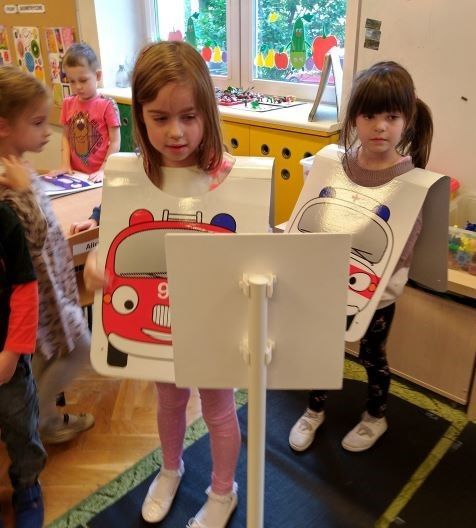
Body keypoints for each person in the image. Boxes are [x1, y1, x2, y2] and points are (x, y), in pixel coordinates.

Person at [84, 41, 240, 527]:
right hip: (158, 318)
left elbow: (250, 240)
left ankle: (223, 491)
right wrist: (95, 260)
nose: (176, 132)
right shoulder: (130, 176)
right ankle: (170, 469)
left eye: (189, 117)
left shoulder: (231, 177)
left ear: (207, 113)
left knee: (218, 407)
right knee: (169, 398)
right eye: (160, 117)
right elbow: (110, 236)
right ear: (140, 117)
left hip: (210, 316)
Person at [289, 61, 433, 453]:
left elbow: (406, 237)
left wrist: (381, 282)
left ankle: (375, 416)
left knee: (372, 356)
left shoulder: (410, 178)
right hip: (329, 282)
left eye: (392, 117)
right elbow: (315, 214)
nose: (380, 127)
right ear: (354, 118)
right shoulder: (336, 164)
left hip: (377, 292)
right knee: (322, 348)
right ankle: (314, 410)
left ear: (407, 121)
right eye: (369, 116)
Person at [0, 65, 94, 445]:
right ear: (4, 126)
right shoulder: (9, 181)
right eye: (37, 123)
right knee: (80, 348)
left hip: (51, 283)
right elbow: (33, 237)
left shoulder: (16, 165)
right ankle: (38, 419)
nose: (46, 132)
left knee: (46, 354)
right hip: (39, 291)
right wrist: (24, 191)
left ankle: (37, 416)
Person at [0, 164, 47, 527]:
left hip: (8, 360)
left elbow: (25, 289)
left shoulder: (5, 221)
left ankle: (28, 486)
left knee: (20, 426)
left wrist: (12, 352)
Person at [56, 42, 121, 183]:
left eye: (83, 80)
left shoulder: (107, 105)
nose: (78, 87)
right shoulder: (67, 103)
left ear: (97, 75)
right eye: (72, 81)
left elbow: (115, 142)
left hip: (101, 175)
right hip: (76, 174)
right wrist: (65, 164)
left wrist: (104, 170)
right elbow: (65, 137)